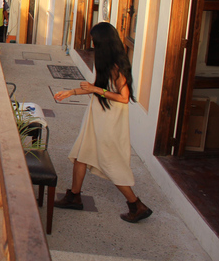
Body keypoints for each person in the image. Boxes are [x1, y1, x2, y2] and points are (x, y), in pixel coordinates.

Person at [54, 22, 152, 224]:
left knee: (110, 162)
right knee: (81, 153)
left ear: (103, 42)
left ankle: (136, 205)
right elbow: (95, 87)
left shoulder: (117, 66)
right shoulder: (106, 62)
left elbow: (124, 98)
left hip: (109, 121)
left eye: (94, 41)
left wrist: (96, 90)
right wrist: (71, 92)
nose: (92, 44)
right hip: (97, 116)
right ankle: (74, 196)